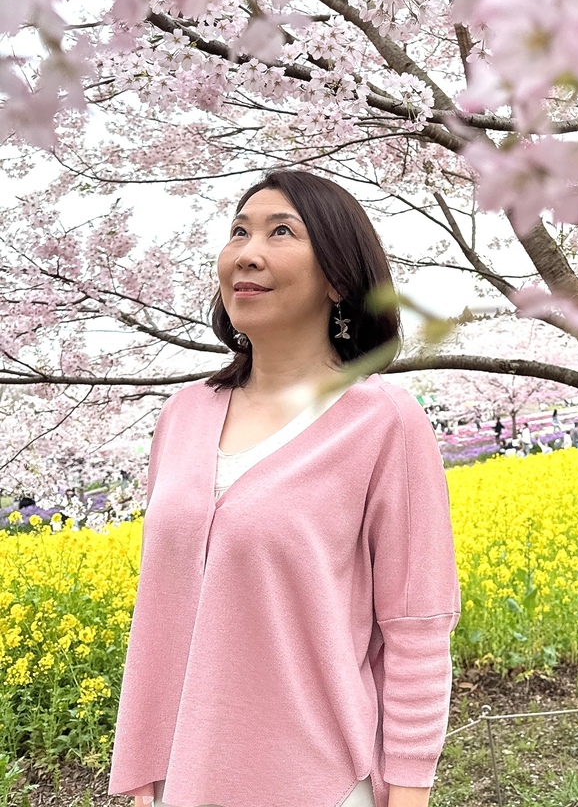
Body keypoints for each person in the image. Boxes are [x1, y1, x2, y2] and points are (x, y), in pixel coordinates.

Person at [108, 168, 459, 807]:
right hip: (180, 784)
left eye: (280, 232)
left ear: (339, 278)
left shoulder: (383, 422)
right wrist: (145, 781)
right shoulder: (182, 415)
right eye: (238, 231)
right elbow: (161, 609)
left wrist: (408, 796)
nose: (247, 252)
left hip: (319, 784)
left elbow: (417, 628)